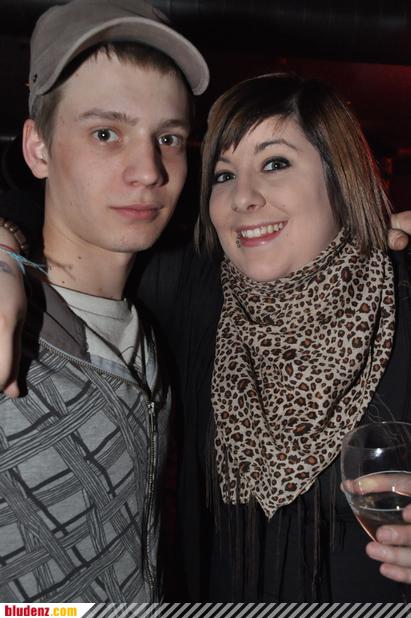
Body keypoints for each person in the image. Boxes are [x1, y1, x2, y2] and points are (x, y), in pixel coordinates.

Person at [1, 53, 411, 608]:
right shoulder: (196, 296)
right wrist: (5, 249)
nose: (243, 198)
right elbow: (72, 216)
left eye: (275, 163)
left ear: (341, 178)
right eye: (223, 175)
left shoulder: (399, 300)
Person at [0, 0, 209, 603]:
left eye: (167, 138)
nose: (149, 171)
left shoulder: (154, 323)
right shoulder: (13, 327)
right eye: (106, 133)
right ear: (38, 149)